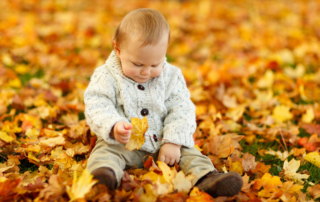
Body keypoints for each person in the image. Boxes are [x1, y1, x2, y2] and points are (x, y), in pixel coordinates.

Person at [84, 8, 243, 198]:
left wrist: (173, 141)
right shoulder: (106, 75)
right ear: (117, 49)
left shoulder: (171, 76)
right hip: (123, 144)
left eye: (154, 65)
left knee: (190, 152)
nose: (146, 72)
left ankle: (207, 178)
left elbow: (181, 108)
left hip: (163, 144)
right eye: (137, 64)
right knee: (105, 152)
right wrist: (113, 126)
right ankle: (104, 176)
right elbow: (97, 103)